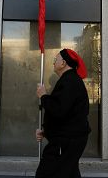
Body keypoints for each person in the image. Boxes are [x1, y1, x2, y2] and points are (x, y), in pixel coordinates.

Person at [35, 48, 91, 178]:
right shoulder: (69, 80)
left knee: (46, 173)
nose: (53, 63)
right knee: (68, 173)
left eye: (55, 60)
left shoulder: (70, 81)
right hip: (68, 138)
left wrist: (43, 96)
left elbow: (58, 110)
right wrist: (46, 131)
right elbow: (66, 115)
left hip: (66, 141)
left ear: (63, 63)